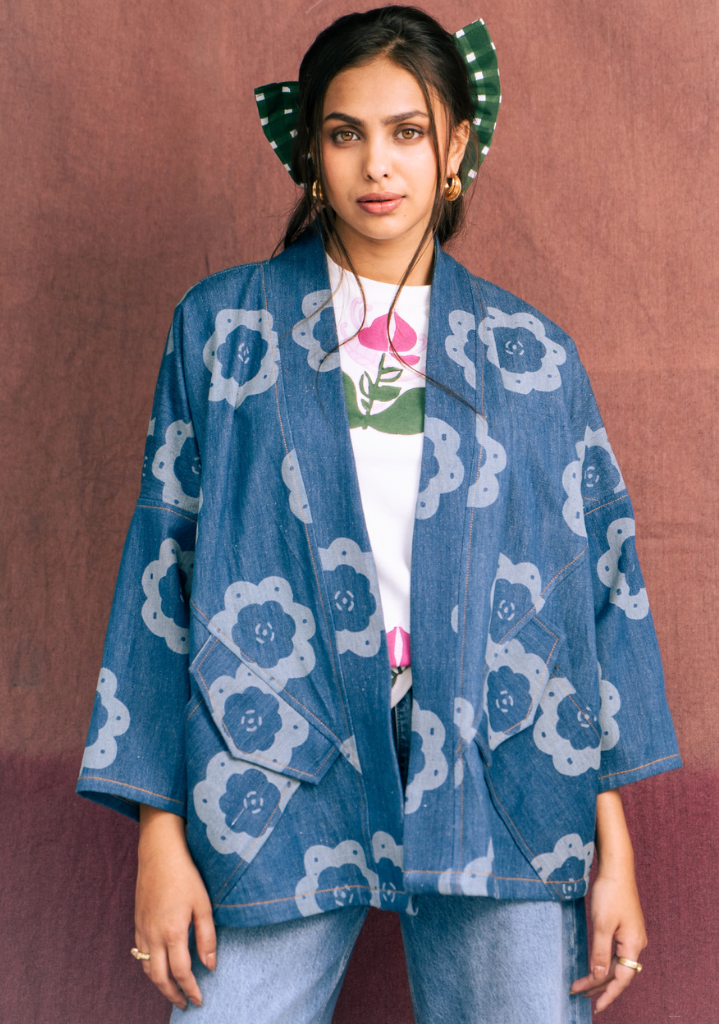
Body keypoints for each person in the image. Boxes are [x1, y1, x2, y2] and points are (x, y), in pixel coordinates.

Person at [77, 7, 681, 1022]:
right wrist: (159, 834)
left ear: (456, 148)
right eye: (345, 133)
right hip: (273, 753)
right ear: (310, 153)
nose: (377, 164)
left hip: (501, 765)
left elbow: (595, 602)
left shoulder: (533, 356)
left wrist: (611, 849)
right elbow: (161, 573)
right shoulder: (223, 332)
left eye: (407, 131)